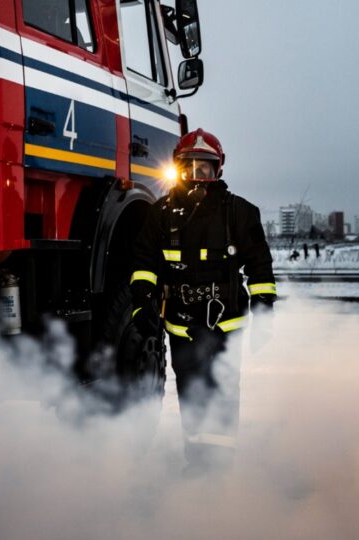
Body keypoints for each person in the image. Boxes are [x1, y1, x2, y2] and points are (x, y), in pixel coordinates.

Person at [128, 128, 276, 474]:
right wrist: (141, 303)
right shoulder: (160, 213)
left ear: (218, 170)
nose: (197, 176)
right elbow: (144, 263)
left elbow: (260, 265)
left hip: (226, 322)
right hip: (181, 323)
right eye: (189, 168)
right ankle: (197, 462)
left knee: (223, 390)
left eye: (204, 169)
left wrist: (265, 308)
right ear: (177, 168)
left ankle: (219, 466)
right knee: (191, 391)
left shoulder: (239, 212)